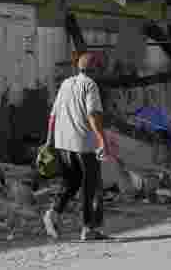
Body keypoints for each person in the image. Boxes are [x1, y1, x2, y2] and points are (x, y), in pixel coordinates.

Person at [42, 51, 110, 242]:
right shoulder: (90, 85)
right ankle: (89, 229)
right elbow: (93, 115)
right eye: (100, 69)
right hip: (84, 145)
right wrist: (102, 140)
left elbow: (53, 115)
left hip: (63, 144)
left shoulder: (66, 84)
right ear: (95, 69)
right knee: (92, 188)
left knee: (71, 183)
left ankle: (52, 214)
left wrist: (49, 142)